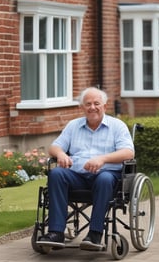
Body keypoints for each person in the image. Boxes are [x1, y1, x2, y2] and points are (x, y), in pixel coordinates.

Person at [37, 87, 134, 251]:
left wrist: (102, 159)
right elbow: (55, 147)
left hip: (106, 176)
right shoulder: (73, 125)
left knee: (104, 178)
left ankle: (95, 234)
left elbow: (128, 152)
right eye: (88, 104)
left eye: (97, 103)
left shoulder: (117, 126)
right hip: (78, 176)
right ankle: (56, 233)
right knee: (56, 173)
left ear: (104, 105)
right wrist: (60, 154)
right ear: (82, 107)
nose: (92, 107)